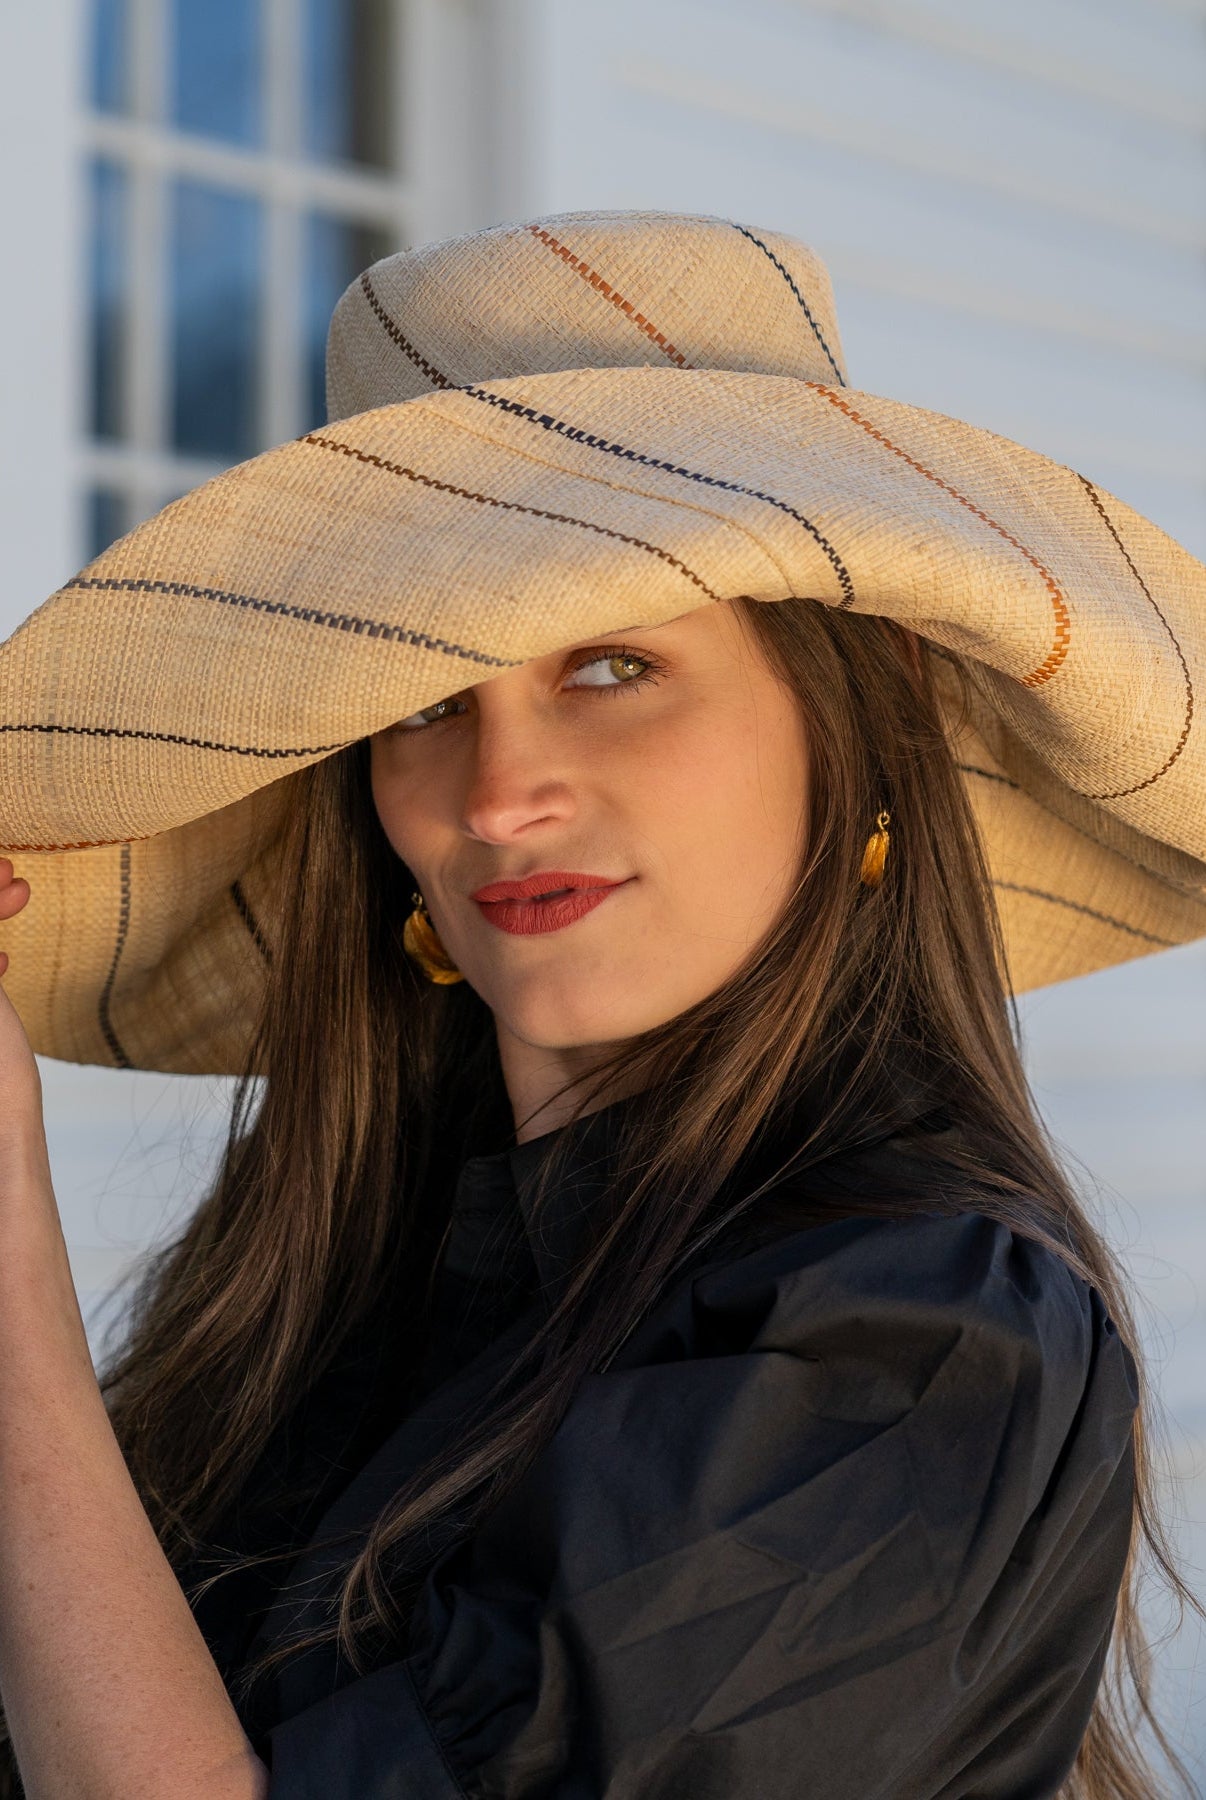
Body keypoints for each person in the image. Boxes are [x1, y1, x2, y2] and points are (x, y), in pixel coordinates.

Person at [0, 209, 1202, 1799]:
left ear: (867, 710)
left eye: (611, 668)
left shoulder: (908, 1330)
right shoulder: (301, 1312)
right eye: (427, 702)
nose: (497, 796)